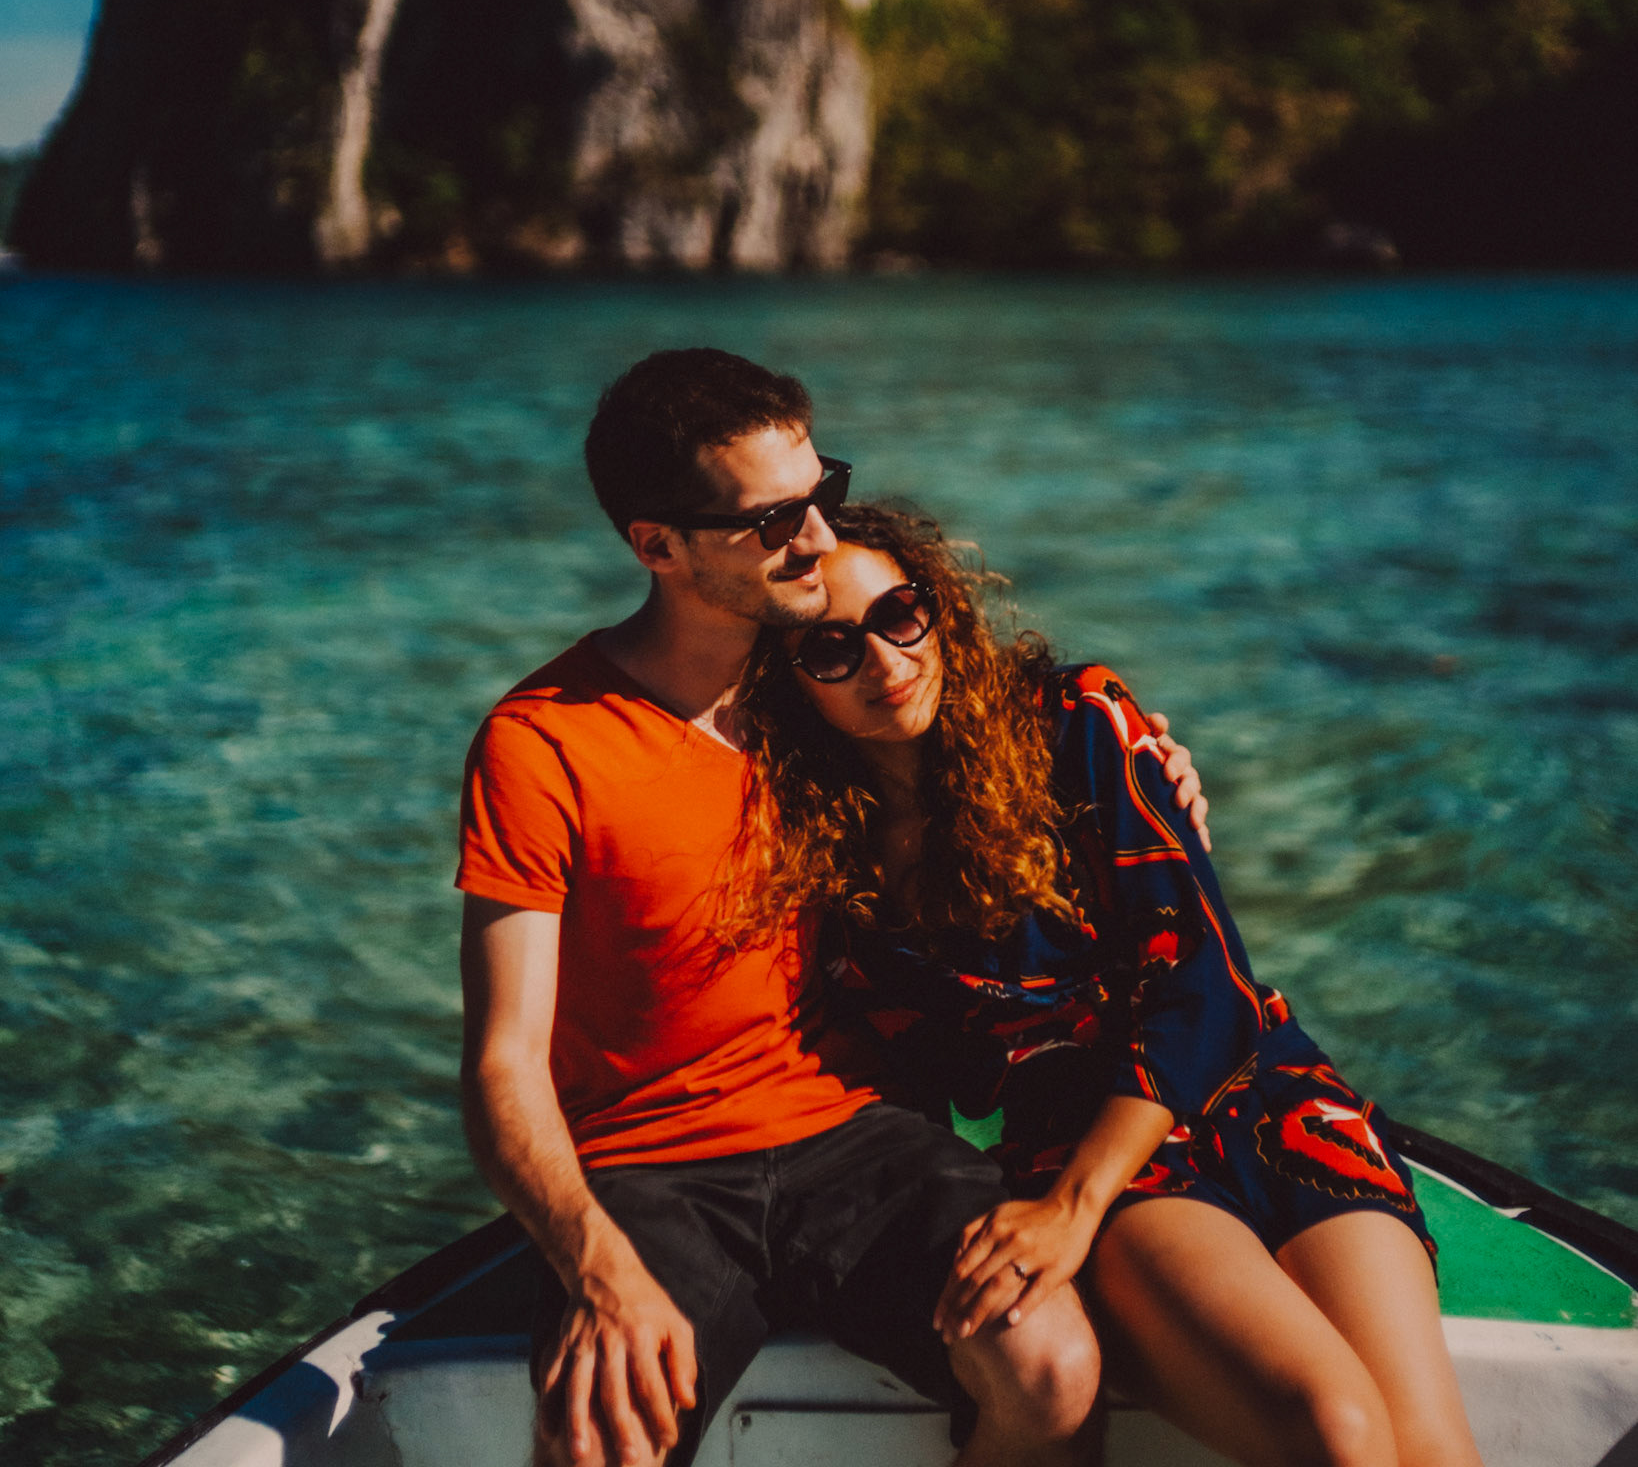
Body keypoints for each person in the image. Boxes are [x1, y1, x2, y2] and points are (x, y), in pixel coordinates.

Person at [457, 350, 1210, 1467]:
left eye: (822, 493)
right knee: (602, 1431)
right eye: (772, 521)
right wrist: (598, 1267)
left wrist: (1154, 769)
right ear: (654, 545)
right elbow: (502, 1065)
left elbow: (1004, 725)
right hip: (648, 1170)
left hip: (860, 1137)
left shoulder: (819, 678)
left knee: (1049, 1363)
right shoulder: (543, 741)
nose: (814, 538)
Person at [725, 503, 1485, 1467]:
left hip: (1279, 1100)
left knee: (1432, 1454)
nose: (884, 662)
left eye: (900, 615)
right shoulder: (819, 858)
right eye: (830, 650)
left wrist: (1064, 1215)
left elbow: (1205, 980)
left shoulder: (1075, 719)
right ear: (789, 682)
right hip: (1106, 1152)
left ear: (940, 612)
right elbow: (879, 1072)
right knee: (1337, 1432)